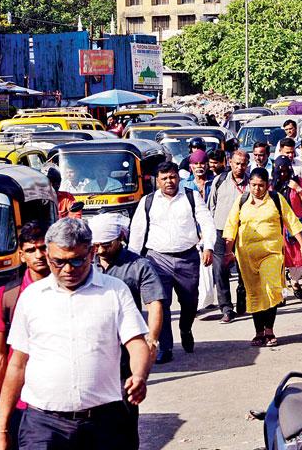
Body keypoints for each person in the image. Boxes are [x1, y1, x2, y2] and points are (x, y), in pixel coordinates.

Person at [0, 218, 151, 450]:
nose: (67, 270)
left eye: (77, 260)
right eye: (58, 262)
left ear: (91, 252)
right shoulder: (32, 297)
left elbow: (136, 343)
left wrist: (139, 375)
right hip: (43, 425)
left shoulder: (115, 291)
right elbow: (18, 365)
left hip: (105, 422)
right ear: (48, 256)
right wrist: (1, 428)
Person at [128, 162, 215, 364]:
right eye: (164, 178)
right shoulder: (147, 201)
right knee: (160, 304)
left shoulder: (191, 197)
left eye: (173, 177)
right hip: (157, 260)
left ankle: (186, 327)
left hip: (188, 258)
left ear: (178, 177)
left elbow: (207, 222)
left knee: (190, 301)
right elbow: (137, 231)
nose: (169, 181)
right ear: (157, 181)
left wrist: (208, 246)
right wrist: (132, 261)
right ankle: (165, 348)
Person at [89, 212, 168, 436]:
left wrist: (151, 339)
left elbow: (154, 303)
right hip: (93, 345)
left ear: (121, 238)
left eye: (107, 245)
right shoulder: (85, 263)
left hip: (125, 348)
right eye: (97, 246)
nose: (101, 251)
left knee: (125, 407)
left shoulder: (139, 266)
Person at [223, 167, 302, 347]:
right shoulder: (242, 201)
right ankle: (259, 333)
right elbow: (231, 227)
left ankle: (269, 330)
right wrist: (228, 251)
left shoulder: (277, 199)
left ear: (268, 185)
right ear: (249, 185)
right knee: (254, 293)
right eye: (253, 185)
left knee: (271, 288)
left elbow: (292, 222)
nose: (257, 189)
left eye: (261, 185)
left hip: (272, 253)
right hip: (246, 256)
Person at [0, 222, 49, 444]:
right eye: (31, 250)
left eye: (44, 248)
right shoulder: (6, 297)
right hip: (19, 403)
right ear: (21, 255)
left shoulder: (73, 290)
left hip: (60, 404)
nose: (39, 255)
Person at [207, 149, 248, 323]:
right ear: (230, 162)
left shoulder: (252, 183)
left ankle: (242, 295)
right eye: (237, 163)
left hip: (244, 232)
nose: (240, 167)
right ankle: (226, 308)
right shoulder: (219, 180)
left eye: (243, 164)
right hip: (221, 231)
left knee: (245, 270)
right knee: (220, 271)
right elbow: (211, 207)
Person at [272, 156, 302, 301]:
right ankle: (282, 292)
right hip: (277, 228)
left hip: (296, 227)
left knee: (299, 260)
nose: (283, 174)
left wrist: (297, 189)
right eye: (280, 171)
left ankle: (295, 281)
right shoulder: (271, 185)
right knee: (279, 261)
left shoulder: (297, 181)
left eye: (285, 170)